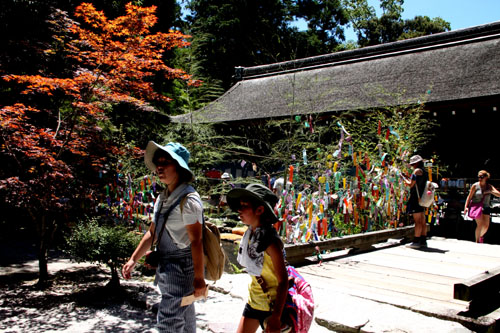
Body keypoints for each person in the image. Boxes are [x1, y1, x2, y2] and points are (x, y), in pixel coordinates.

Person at [122, 141, 206, 332]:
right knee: (185, 316)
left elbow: (196, 241)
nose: (159, 167)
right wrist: (133, 259)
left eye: (166, 162)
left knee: (168, 322)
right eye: (158, 162)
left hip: (182, 269)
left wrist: (199, 278)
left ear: (179, 167)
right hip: (167, 267)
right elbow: (152, 232)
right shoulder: (163, 197)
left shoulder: (189, 200)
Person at [227, 184, 289, 333]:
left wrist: (276, 317)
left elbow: (283, 281)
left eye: (244, 206)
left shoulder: (271, 243)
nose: (239, 210)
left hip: (272, 307)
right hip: (254, 302)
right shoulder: (250, 235)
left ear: (260, 210)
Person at [463, 170, 500, 243]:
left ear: (486, 177)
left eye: (481, 177)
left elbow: (498, 194)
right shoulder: (475, 186)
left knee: (486, 226)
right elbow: (469, 197)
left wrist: (490, 191)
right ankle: (477, 241)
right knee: (480, 224)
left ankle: (480, 236)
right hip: (476, 207)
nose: (479, 178)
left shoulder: (489, 186)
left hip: (486, 206)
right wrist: (466, 207)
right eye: (478, 177)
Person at [402, 155, 428, 249]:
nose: (412, 166)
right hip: (422, 198)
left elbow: (411, 184)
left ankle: (416, 241)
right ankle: (423, 240)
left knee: (417, 221)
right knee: (422, 220)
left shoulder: (416, 171)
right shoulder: (424, 172)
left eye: (413, 164)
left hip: (415, 198)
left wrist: (403, 178)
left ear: (416, 163)